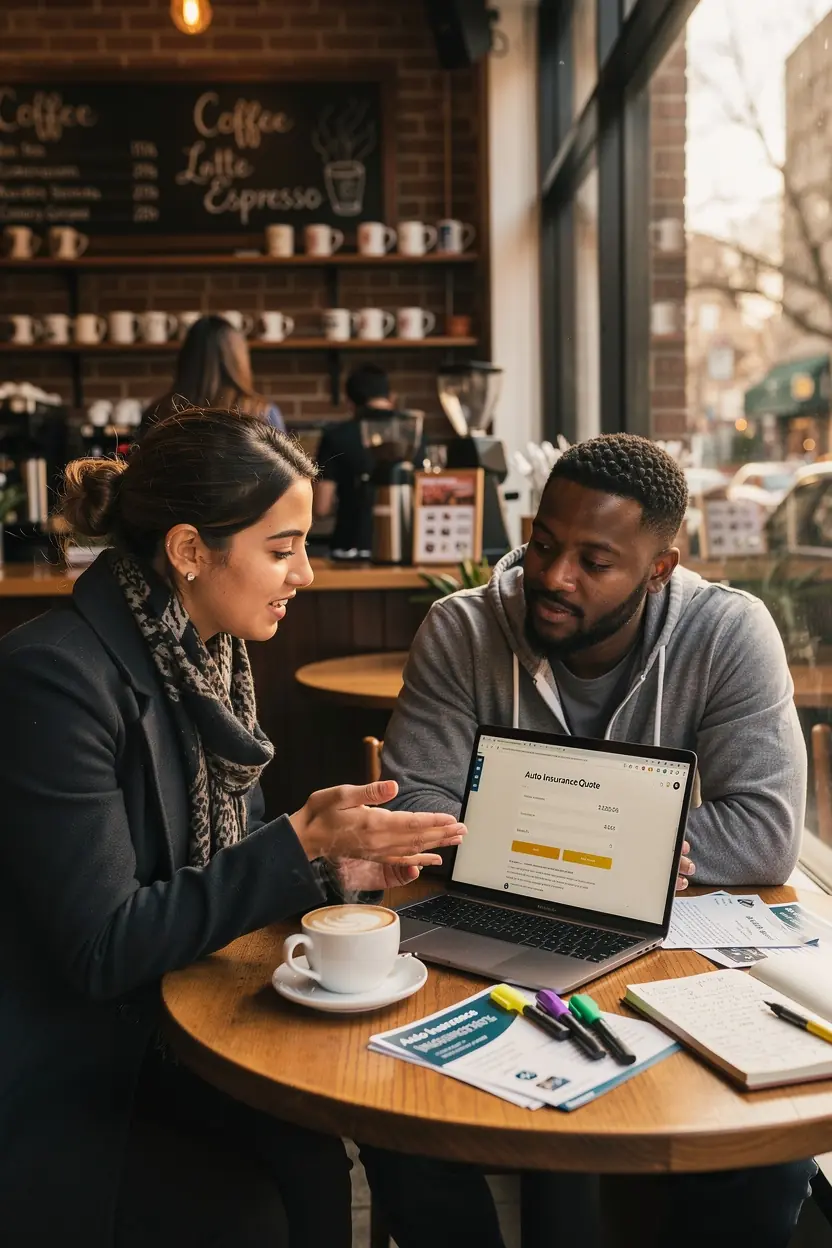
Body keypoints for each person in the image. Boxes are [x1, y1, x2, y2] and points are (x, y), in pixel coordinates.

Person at [0, 408, 465, 1248]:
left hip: (186, 1032)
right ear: (188, 552)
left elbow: (214, 869)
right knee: (276, 1194)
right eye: (282, 549)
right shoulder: (53, 681)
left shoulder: (207, 664)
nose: (308, 575)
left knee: (320, 1156)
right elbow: (103, 947)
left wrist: (332, 872)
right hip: (84, 1075)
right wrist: (302, 843)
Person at [374, 433, 814, 1248]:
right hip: (491, 933)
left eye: (593, 561)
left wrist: (538, 834)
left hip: (673, 954)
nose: (552, 576)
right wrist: (616, 845)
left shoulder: (727, 634)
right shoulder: (462, 628)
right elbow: (419, 803)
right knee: (398, 1116)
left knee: (766, 1163)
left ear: (659, 569)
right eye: (543, 543)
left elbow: (763, 833)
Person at [141, 314, 285, 434]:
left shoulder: (157, 412)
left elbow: (139, 465)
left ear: (186, 359)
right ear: (239, 361)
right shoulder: (263, 413)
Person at [313, 362, 399, 559]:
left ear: (350, 403)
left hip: (349, 548)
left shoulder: (335, 436)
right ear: (391, 397)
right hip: (403, 548)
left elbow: (321, 507)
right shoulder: (416, 434)